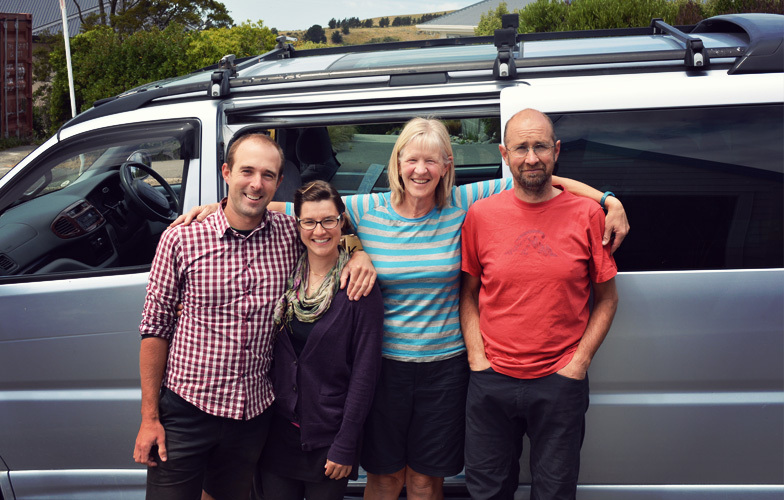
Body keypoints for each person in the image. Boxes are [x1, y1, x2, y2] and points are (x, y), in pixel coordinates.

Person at [176, 119, 629, 500]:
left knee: (426, 481)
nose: (421, 170)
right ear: (396, 163)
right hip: (385, 368)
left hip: (446, 368)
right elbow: (298, 212)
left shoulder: (463, 203)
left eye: (432, 160)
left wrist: (608, 199)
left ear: (446, 166)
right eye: (411, 159)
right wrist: (219, 208)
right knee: (386, 477)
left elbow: (540, 178)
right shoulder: (367, 209)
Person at [132, 133, 375, 500]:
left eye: (267, 175)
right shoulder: (182, 239)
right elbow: (155, 328)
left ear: (279, 182)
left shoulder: (289, 233)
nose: (256, 184)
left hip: (253, 414)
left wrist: (358, 253)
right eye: (247, 171)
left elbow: (325, 226)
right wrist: (149, 417)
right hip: (187, 408)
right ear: (226, 172)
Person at [459, 108, 619, 500]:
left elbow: (607, 299)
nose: (531, 158)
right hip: (492, 379)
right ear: (504, 154)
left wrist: (577, 365)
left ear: (556, 151)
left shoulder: (587, 214)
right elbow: (468, 294)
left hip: (559, 381)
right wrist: (478, 358)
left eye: (541, 147)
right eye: (521, 148)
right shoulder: (480, 214)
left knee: (555, 491)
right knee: (487, 491)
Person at [258, 180, 384, 500]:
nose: (319, 231)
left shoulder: (358, 287)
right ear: (298, 225)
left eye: (329, 220)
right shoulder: (284, 275)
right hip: (276, 436)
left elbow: (365, 374)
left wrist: (346, 444)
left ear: (342, 222)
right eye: (309, 222)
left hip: (328, 439)